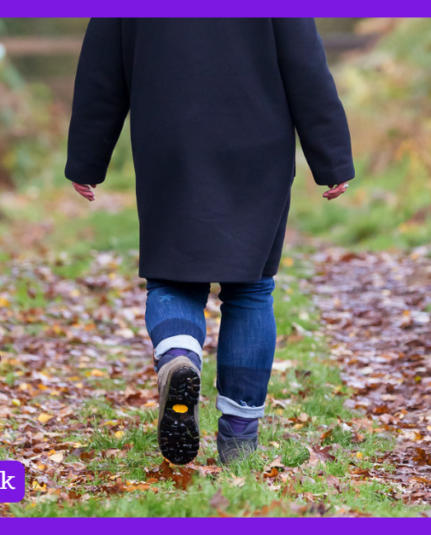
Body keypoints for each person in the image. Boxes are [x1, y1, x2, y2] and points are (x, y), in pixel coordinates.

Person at [65, 18, 354, 465]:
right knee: (251, 289)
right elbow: (306, 65)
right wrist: (331, 157)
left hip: (170, 143)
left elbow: (102, 69)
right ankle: (239, 440)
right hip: (259, 143)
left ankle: (179, 358)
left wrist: (87, 156)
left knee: (172, 280)